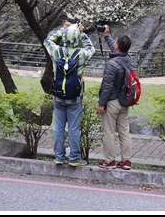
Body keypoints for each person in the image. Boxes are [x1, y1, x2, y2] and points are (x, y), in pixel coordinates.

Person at [43, 21, 95, 167]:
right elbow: (91, 49)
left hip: (58, 96)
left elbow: (47, 41)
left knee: (59, 127)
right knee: (73, 128)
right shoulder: (81, 54)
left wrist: (62, 30)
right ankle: (74, 158)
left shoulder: (56, 51)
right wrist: (82, 33)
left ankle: (59, 156)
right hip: (75, 97)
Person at [96, 25, 134, 170]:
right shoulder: (127, 59)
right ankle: (126, 161)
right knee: (124, 131)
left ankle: (109, 160)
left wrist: (101, 104)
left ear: (118, 46)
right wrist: (107, 36)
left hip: (112, 102)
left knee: (108, 132)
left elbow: (106, 86)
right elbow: (117, 51)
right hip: (124, 101)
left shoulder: (112, 65)